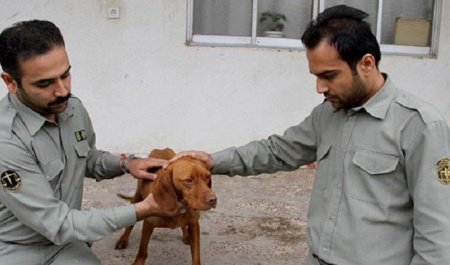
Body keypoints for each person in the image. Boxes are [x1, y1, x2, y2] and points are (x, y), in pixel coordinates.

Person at [168, 5, 450, 265]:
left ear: (366, 64)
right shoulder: (327, 114)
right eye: (315, 76)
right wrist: (212, 161)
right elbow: (277, 151)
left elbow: (438, 231)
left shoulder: (420, 126)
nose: (319, 87)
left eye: (328, 75)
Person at [0, 20, 183, 264]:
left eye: (65, 75)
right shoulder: (6, 141)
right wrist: (142, 209)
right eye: (44, 83)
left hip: (63, 244)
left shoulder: (71, 108)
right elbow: (58, 223)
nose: (62, 90)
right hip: (13, 248)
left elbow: (87, 157)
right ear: (10, 82)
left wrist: (127, 163)